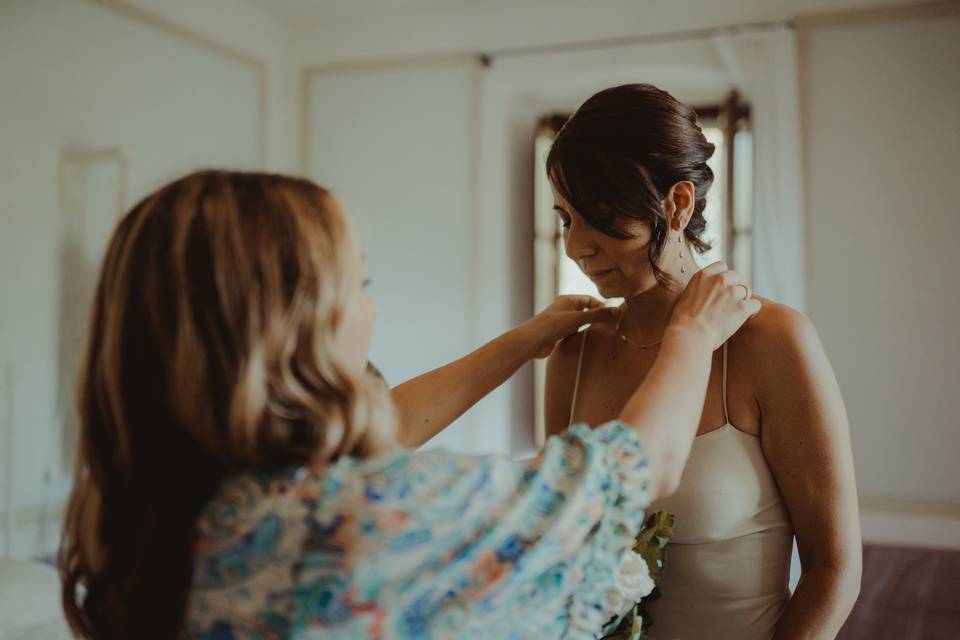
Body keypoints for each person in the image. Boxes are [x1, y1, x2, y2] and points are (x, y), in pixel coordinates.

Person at [58, 170, 757, 639]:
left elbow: (377, 427)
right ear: (297, 324)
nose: (372, 307)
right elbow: (631, 470)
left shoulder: (155, 510)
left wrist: (521, 342)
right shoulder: (363, 522)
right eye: (358, 283)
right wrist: (693, 334)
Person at [544, 84, 861, 639]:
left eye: (600, 216)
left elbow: (834, 568)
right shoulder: (573, 353)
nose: (576, 246)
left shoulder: (771, 341)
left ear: (678, 203)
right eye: (566, 219)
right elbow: (559, 544)